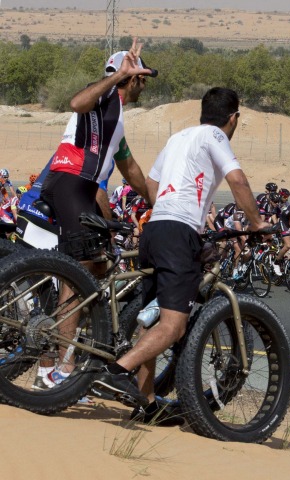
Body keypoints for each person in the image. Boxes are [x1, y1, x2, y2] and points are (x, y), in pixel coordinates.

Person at [93, 87, 269, 424]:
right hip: (177, 232)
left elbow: (152, 186)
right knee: (173, 326)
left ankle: (145, 403)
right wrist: (257, 222)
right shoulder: (215, 136)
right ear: (233, 118)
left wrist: (171, 212)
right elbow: (237, 180)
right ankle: (117, 371)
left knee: (152, 318)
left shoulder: (178, 138)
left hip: (155, 230)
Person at [35, 42, 155, 389]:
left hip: (82, 189)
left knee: (99, 267)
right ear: (129, 79)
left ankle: (77, 351)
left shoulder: (115, 119)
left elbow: (129, 167)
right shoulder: (101, 99)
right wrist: (119, 74)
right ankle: (58, 369)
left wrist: (157, 203)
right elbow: (76, 102)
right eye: (141, 78)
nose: (144, 85)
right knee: (80, 272)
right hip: (69, 181)